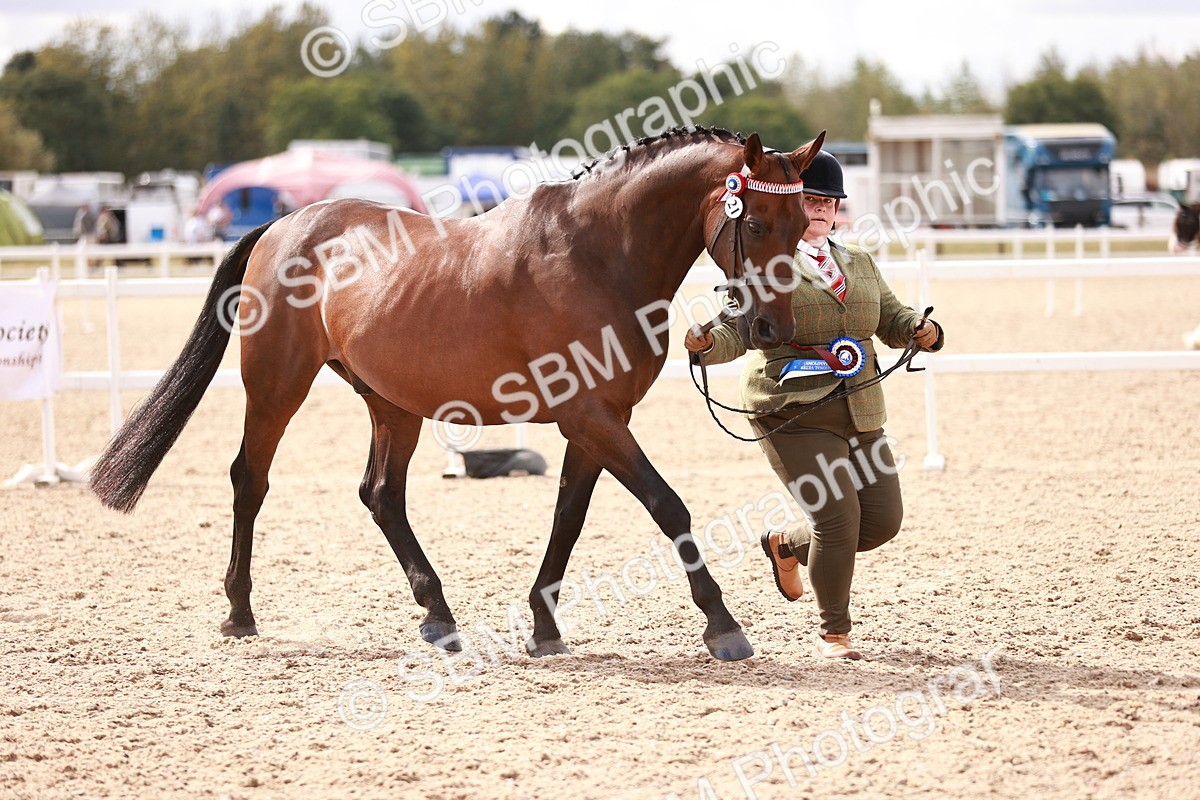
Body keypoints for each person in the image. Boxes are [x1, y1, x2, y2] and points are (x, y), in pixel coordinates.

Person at [685, 151, 944, 661]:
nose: (822, 209)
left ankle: (786, 544)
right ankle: (834, 634)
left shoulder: (859, 263)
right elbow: (738, 329)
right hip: (791, 411)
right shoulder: (767, 266)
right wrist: (706, 345)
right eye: (812, 200)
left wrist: (922, 329)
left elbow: (890, 317)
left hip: (860, 407)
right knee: (838, 519)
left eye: (830, 202)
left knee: (882, 522)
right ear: (792, 205)